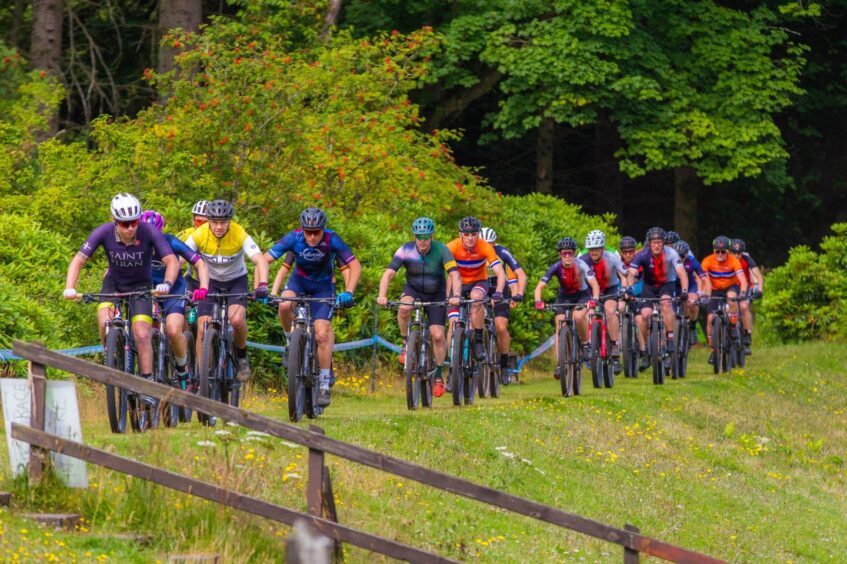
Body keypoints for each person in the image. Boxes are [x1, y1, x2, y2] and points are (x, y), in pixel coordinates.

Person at [63, 193, 179, 393]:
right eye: (125, 224)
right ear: (115, 222)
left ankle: (147, 383)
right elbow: (78, 260)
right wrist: (70, 287)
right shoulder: (103, 232)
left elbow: (172, 261)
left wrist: (167, 283)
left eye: (134, 222)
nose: (131, 228)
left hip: (141, 286)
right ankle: (112, 355)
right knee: (103, 321)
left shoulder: (149, 231)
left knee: (142, 333)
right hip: (113, 284)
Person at [265, 207, 362, 407]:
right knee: (284, 306)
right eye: (307, 232)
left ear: (323, 229)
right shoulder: (294, 237)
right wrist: (262, 287)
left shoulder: (332, 239)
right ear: (302, 229)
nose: (311, 237)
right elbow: (265, 260)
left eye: (316, 232)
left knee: (321, 334)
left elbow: (355, 266)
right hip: (298, 284)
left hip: (323, 288)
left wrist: (349, 292)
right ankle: (289, 341)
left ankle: (325, 384)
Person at [184, 199, 268, 382]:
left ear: (230, 221)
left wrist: (262, 284)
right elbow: (180, 258)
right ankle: (202, 376)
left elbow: (260, 260)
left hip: (236, 281)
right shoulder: (200, 234)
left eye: (223, 222)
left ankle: (242, 356)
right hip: (210, 282)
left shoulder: (239, 233)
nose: (219, 227)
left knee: (236, 319)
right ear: (209, 221)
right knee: (202, 328)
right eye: (214, 222)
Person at [377, 217, 461, 397]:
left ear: (431, 236)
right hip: (413, 289)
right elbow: (389, 274)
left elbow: (454, 274)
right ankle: (406, 343)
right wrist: (382, 295)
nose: (422, 240)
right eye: (418, 236)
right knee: (404, 307)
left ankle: (438, 375)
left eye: (425, 236)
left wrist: (456, 296)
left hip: (435, 293)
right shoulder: (405, 249)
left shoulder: (441, 250)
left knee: (438, 336)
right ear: (414, 236)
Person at [140, 210, 210, 389]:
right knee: (142, 329)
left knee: (173, 330)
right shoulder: (135, 244)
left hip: (174, 289)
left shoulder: (171, 241)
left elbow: (199, 263)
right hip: (148, 289)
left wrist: (203, 287)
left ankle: (182, 368)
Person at [445, 217, 507, 369]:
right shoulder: (452, 247)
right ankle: (451, 365)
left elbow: (500, 273)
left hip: (479, 281)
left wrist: (498, 292)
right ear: (460, 235)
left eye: (474, 234)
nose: (470, 238)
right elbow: (442, 273)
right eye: (467, 234)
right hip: (458, 283)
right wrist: (447, 296)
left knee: (477, 298)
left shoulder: (485, 247)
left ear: (478, 234)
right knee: (453, 324)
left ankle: (478, 339)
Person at [534, 237, 600, 378]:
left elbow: (594, 284)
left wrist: (594, 299)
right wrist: (538, 301)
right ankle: (560, 364)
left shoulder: (581, 265)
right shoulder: (556, 266)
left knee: (578, 316)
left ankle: (585, 343)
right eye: (565, 254)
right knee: (560, 325)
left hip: (582, 295)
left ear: (575, 253)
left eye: (570, 253)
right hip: (564, 297)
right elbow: (539, 286)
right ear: (560, 254)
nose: (568, 256)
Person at [628, 227, 689, 370]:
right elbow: (631, 273)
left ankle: (670, 337)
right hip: (649, 287)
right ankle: (647, 348)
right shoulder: (642, 254)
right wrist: (629, 288)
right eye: (654, 242)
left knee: (666, 304)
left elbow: (682, 273)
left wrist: (685, 290)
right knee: (643, 315)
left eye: (659, 242)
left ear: (663, 243)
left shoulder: (672, 253)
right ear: (649, 243)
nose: (656, 245)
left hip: (666, 285)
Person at [479, 226, 527, 384]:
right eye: (483, 243)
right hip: (480, 286)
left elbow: (521, 274)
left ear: (494, 243)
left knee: (500, 327)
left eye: (490, 244)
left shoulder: (502, 251)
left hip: (500, 287)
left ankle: (504, 365)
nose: (487, 247)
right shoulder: (473, 251)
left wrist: (518, 294)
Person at [579, 229, 630, 369]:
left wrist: (626, 289)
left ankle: (614, 346)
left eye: (596, 249)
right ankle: (587, 346)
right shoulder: (582, 260)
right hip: (590, 291)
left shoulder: (612, 258)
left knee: (610, 312)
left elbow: (626, 274)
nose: (593, 252)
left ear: (602, 248)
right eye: (591, 249)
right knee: (586, 314)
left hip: (610, 289)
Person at [701, 236, 748, 364]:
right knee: (710, 318)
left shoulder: (734, 261)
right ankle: (713, 349)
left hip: (730, 287)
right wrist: (703, 294)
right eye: (717, 251)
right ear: (713, 251)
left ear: (728, 251)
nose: (720, 254)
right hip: (714, 288)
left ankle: (733, 325)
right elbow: (703, 280)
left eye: (723, 251)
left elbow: (742, 280)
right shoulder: (707, 261)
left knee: (732, 298)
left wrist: (743, 292)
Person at [673, 240, 710, 346]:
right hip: (673, 286)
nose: (680, 258)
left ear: (686, 255)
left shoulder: (692, 261)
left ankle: (692, 327)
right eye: (677, 256)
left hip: (689, 286)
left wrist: (706, 294)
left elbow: (705, 279)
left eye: (682, 256)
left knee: (692, 303)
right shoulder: (669, 261)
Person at [731, 238, 763, 354]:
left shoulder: (746, 258)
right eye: (733, 252)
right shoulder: (726, 259)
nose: (736, 255)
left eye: (739, 253)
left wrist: (759, 289)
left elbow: (758, 275)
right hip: (731, 287)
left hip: (745, 287)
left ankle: (747, 334)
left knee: (744, 307)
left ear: (742, 252)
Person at [177, 200, 210, 294]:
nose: (202, 227)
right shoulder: (185, 235)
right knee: (180, 303)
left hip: (214, 281)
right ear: (193, 220)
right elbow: (175, 260)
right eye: (199, 222)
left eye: (206, 223)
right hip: (192, 279)